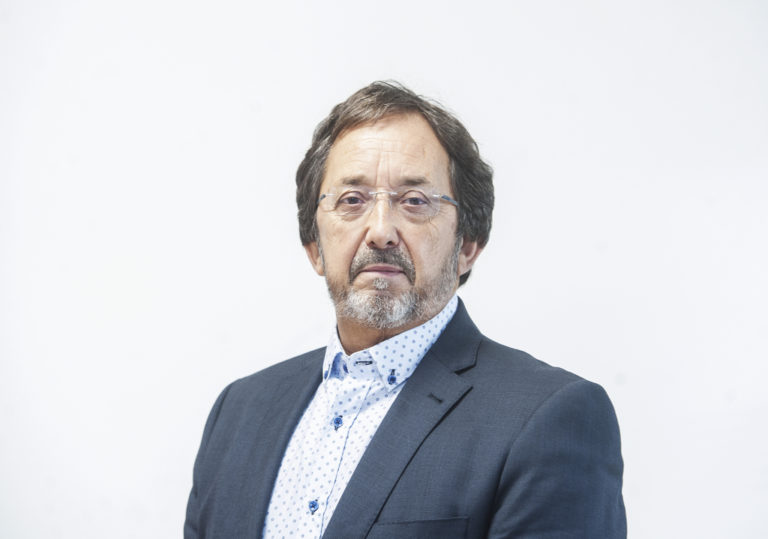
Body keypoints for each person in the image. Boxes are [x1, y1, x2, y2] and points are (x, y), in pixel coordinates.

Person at [184, 81, 626, 539]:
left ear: (467, 245)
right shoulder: (239, 412)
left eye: (415, 201)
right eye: (352, 200)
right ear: (314, 246)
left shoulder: (548, 417)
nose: (381, 231)